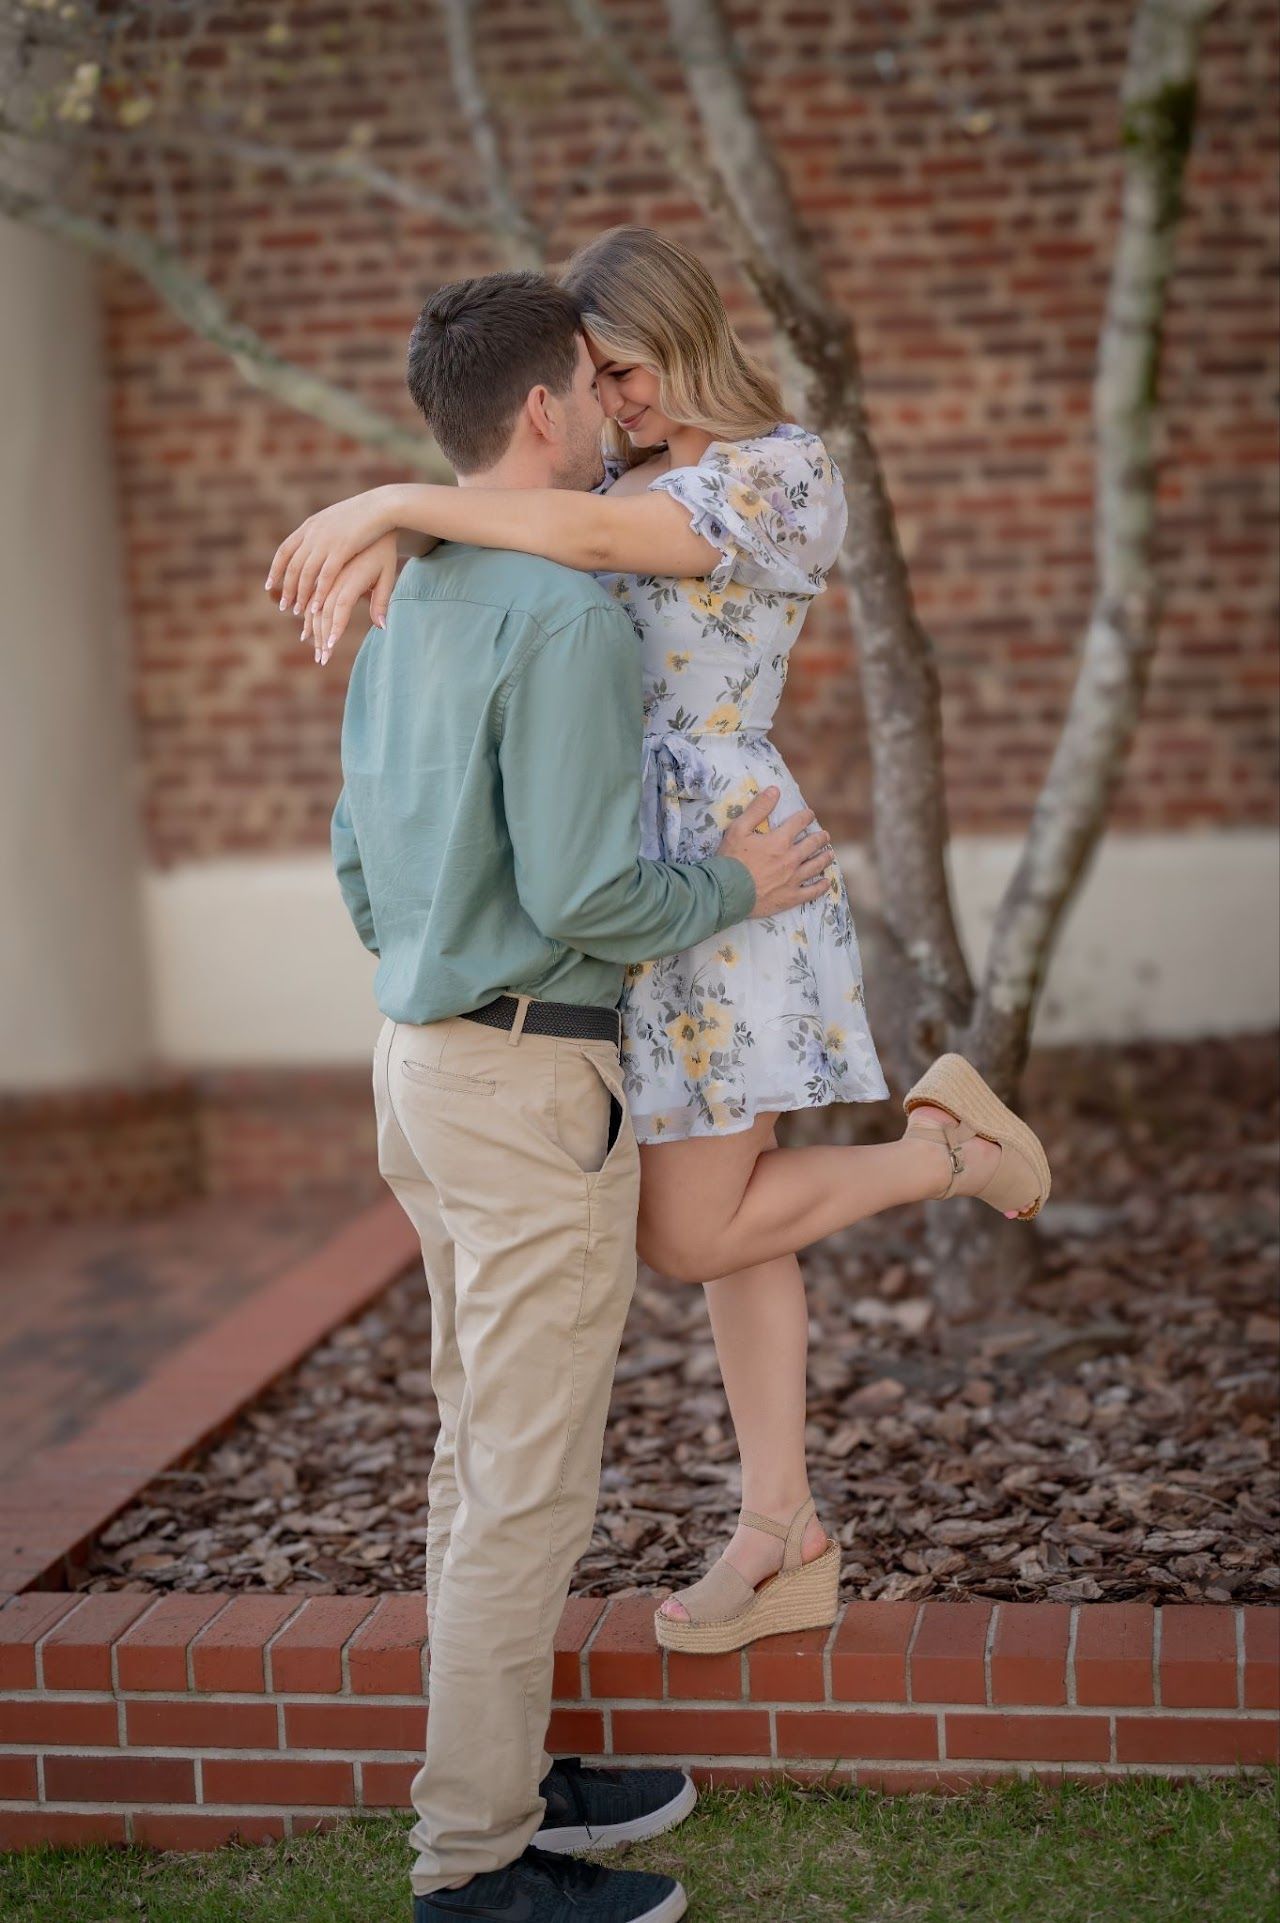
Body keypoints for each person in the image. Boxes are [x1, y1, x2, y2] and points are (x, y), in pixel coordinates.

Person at [269, 228, 1052, 1671]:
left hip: (727, 874)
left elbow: (571, 540)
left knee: (693, 1228)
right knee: (737, 1221)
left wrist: (390, 497)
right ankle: (782, 1532)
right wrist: (412, 525)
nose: (616, 404)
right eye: (597, 382)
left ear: (683, 341)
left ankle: (954, 1149)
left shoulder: (780, 475)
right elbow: (537, 531)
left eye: (624, 370)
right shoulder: (612, 480)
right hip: (618, 880)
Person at [309, 268, 838, 1922]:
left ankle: (516, 1774)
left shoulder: (418, 582)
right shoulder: (558, 611)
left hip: (419, 1065)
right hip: (529, 1076)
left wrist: (431, 973)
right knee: (523, 1485)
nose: (614, 414)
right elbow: (598, 898)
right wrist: (735, 896)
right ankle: (471, 1865)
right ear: (545, 409)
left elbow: (352, 853)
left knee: (484, 1452)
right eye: (592, 387)